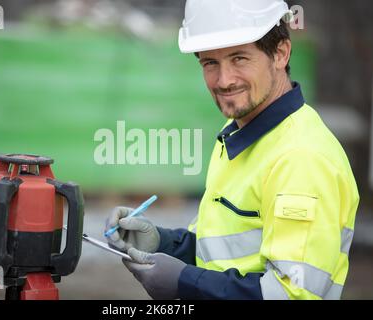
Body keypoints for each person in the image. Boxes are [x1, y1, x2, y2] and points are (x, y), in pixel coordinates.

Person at [105, 0, 359, 300]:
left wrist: (184, 282)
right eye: (210, 62)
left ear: (280, 53)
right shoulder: (239, 137)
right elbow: (223, 252)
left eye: (239, 58)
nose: (224, 80)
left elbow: (292, 294)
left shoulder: (300, 157)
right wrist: (163, 243)